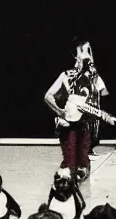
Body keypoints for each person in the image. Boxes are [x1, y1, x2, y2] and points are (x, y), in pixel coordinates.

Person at [44, 37, 110, 182]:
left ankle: (74, 189)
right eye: (84, 51)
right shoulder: (66, 76)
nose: (88, 55)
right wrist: (60, 111)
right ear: (76, 55)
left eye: (89, 51)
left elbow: (103, 94)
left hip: (87, 125)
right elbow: (48, 96)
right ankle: (63, 190)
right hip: (70, 125)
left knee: (83, 163)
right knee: (70, 162)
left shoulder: (94, 77)